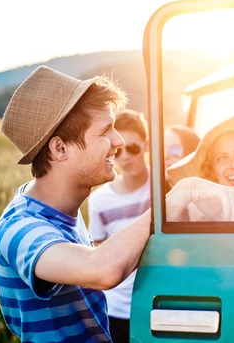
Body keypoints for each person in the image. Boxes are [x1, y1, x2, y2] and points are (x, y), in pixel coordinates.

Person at [0, 66, 234, 342]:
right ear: (59, 149)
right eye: (105, 131)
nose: (118, 141)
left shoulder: (64, 211)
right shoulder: (19, 227)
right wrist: (174, 199)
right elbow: (102, 270)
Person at [88, 109, 150, 343]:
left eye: (133, 148)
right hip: (115, 309)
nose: (125, 157)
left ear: (146, 145)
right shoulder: (99, 200)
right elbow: (99, 254)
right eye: (118, 150)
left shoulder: (165, 186)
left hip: (156, 300)